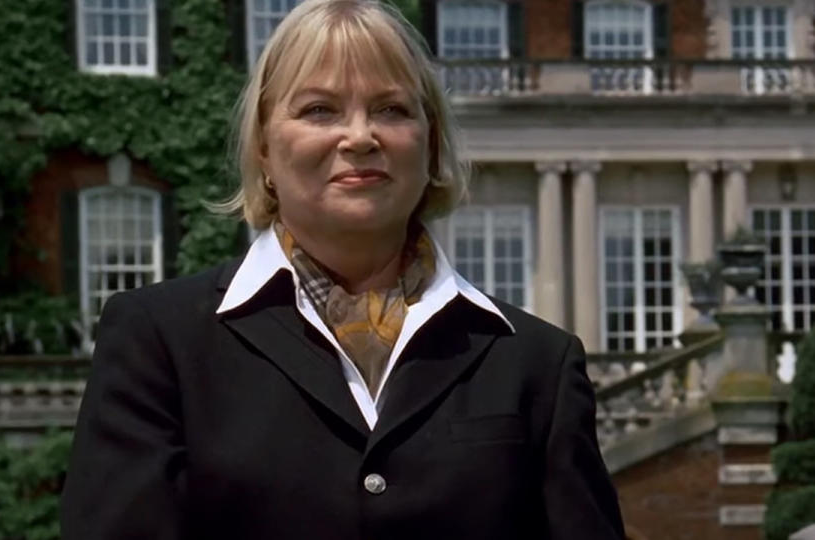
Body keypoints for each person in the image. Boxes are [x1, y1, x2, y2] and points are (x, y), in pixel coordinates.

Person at [60, 1, 625, 538]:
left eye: (391, 109)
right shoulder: (158, 342)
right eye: (319, 110)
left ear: (429, 146)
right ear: (263, 146)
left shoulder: (537, 363)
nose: (359, 137)